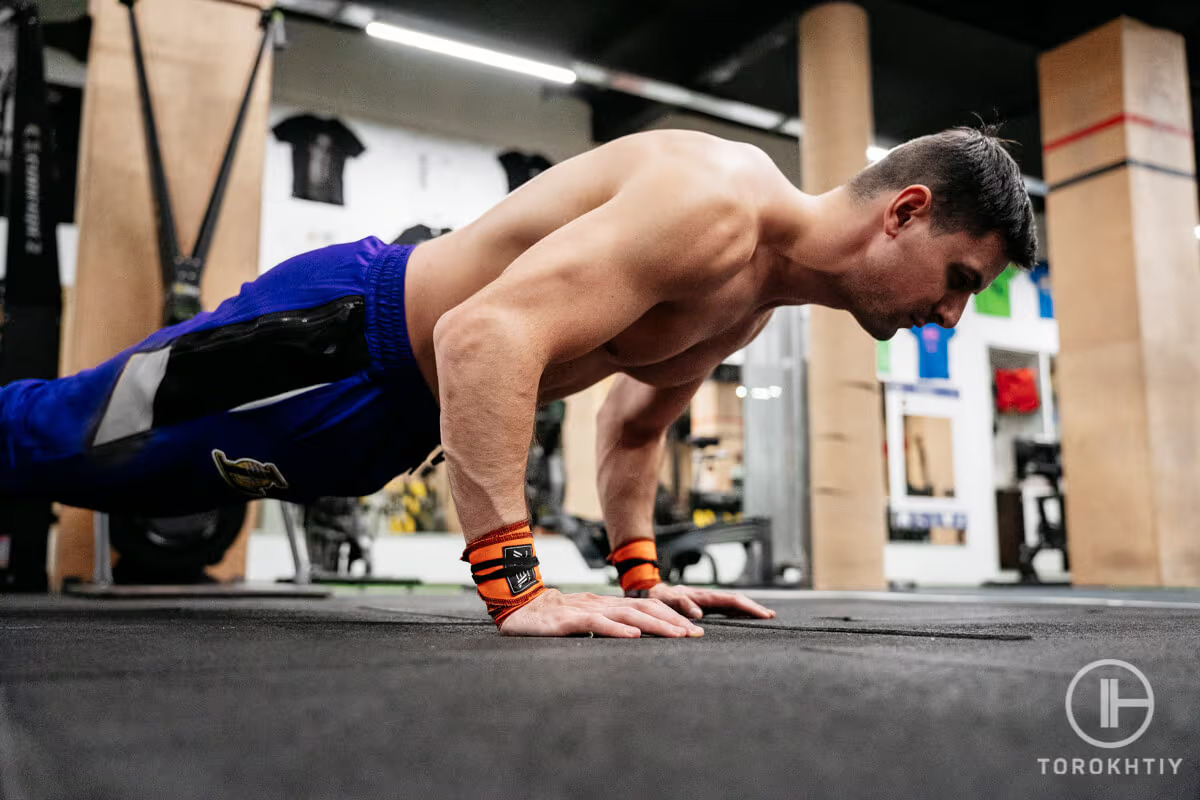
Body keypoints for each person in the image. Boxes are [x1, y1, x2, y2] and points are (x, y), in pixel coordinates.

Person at [0, 124, 1036, 637]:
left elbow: (634, 424)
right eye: (956, 282)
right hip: (327, 342)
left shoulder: (757, 296)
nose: (947, 317)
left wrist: (640, 571)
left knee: (114, 481)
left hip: (378, 422)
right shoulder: (715, 204)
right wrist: (518, 588)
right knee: (46, 434)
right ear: (903, 210)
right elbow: (484, 338)